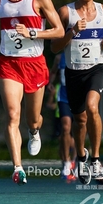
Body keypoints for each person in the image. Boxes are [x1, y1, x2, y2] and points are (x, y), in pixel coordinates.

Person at [0, 0, 64, 185]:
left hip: (34, 64)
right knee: (12, 114)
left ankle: (35, 131)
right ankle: (18, 167)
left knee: (32, 119)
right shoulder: (0, 0)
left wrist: (33, 32)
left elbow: (58, 31)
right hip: (9, 64)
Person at [50, 0, 103, 185]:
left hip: (96, 69)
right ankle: (81, 157)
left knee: (93, 108)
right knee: (80, 121)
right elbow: (54, 47)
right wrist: (73, 31)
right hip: (73, 73)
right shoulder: (65, 12)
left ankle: (96, 159)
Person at [46, 52, 76, 181]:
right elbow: (52, 72)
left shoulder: (81, 51)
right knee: (65, 127)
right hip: (64, 95)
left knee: (79, 130)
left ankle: (77, 161)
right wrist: (49, 82)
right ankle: (66, 162)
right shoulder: (59, 57)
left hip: (79, 95)